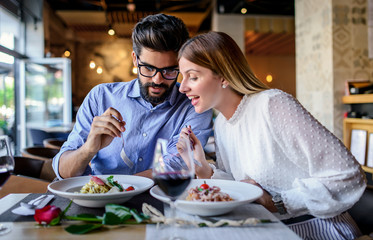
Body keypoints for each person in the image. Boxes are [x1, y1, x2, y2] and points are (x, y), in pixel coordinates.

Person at [176, 31, 366, 240]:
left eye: (192, 77)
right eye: (183, 77)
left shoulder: (272, 104)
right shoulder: (221, 123)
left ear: (223, 76)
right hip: (267, 230)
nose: (183, 87)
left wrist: (278, 202)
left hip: (316, 231)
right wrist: (204, 170)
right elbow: (244, 187)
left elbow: (349, 175)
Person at [52, 14, 213, 180]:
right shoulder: (100, 96)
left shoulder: (194, 104)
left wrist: (119, 189)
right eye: (149, 68)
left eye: (169, 70)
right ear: (135, 59)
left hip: (163, 202)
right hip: (99, 202)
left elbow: (177, 166)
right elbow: (64, 173)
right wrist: (88, 149)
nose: (157, 80)